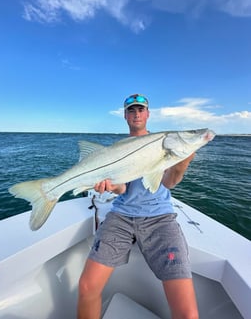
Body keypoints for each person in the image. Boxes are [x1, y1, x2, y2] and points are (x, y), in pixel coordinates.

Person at [77, 94, 198, 319]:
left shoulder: (163, 144)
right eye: (131, 111)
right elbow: (122, 189)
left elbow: (168, 182)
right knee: (86, 287)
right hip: (121, 215)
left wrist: (181, 164)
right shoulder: (118, 149)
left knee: (188, 314)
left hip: (159, 218)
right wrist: (110, 187)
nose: (136, 114)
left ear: (148, 114)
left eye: (140, 110)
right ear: (125, 116)